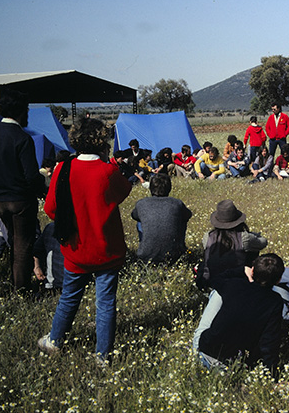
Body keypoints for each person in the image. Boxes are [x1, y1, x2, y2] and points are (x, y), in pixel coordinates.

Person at [38, 117, 131, 361]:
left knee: (69, 297)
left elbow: (50, 209)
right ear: (102, 141)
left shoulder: (62, 169)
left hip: (76, 250)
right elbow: (124, 191)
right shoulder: (108, 171)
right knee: (106, 303)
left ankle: (55, 340)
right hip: (106, 250)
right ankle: (103, 355)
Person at [0, 90, 45, 292]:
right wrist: (42, 188)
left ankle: (15, 282)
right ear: (23, 111)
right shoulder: (22, 138)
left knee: (12, 240)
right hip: (21, 200)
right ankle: (21, 289)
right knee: (23, 246)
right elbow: (31, 176)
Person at [195, 253, 286, 376]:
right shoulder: (275, 301)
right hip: (236, 362)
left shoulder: (234, 285)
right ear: (278, 280)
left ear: (252, 270)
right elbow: (269, 340)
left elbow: (215, 280)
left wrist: (242, 270)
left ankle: (202, 356)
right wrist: (271, 374)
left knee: (217, 293)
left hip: (206, 350)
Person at [195, 199, 267, 289]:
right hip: (237, 281)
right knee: (253, 252)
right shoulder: (244, 237)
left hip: (212, 281)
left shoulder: (208, 236)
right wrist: (253, 234)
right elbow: (263, 242)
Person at [131, 174, 192, 263]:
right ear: (169, 188)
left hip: (145, 257)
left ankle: (146, 246)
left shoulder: (141, 203)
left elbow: (134, 215)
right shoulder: (177, 203)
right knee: (182, 219)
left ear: (150, 188)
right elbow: (188, 215)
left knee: (140, 220)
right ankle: (179, 247)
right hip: (175, 256)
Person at [33, 222, 65, 292]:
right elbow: (36, 251)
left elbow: (36, 251)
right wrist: (37, 266)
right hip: (52, 285)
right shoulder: (50, 228)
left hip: (52, 284)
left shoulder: (50, 227)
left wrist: (37, 266)